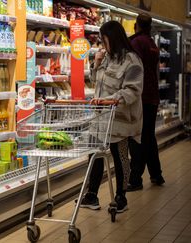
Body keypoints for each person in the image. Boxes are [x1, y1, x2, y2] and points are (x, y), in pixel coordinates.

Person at [80, 21, 144, 212]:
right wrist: (97, 63)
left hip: (120, 120)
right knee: (95, 155)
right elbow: (95, 81)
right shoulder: (107, 57)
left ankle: (121, 197)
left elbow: (133, 91)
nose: (102, 43)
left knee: (120, 156)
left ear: (113, 39)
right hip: (100, 118)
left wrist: (110, 101)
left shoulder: (132, 61)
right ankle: (92, 195)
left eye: (104, 39)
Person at [127, 13, 165, 191]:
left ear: (136, 25)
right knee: (148, 136)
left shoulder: (136, 42)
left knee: (138, 138)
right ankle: (156, 174)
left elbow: (132, 68)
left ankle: (135, 179)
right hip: (152, 95)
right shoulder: (151, 43)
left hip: (140, 97)